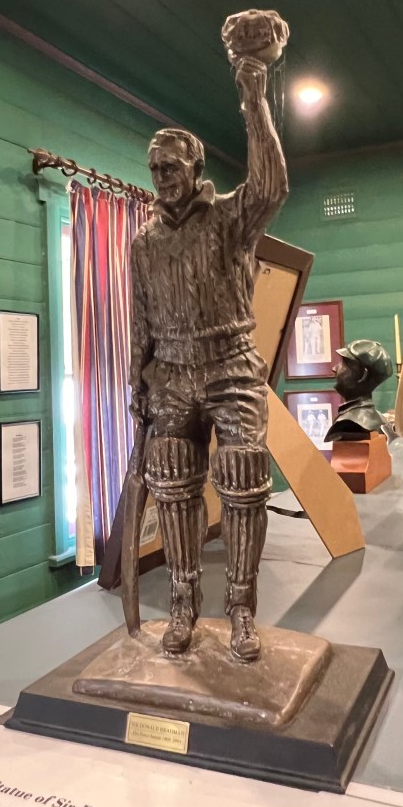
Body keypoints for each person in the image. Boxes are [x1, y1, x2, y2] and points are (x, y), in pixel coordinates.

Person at [129, 53, 288, 662]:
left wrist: (254, 98)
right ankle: (183, 601)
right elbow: (140, 320)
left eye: (170, 165)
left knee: (244, 476)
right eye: (154, 167)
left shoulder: (229, 219)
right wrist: (136, 384)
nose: (161, 175)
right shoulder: (143, 243)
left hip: (231, 364)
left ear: (195, 167)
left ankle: (242, 607)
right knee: (172, 479)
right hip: (170, 373)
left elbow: (270, 187)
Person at [324, 339, 393, 442]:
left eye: (344, 363)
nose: (334, 368)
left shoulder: (348, 424)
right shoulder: (380, 419)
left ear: (362, 375)